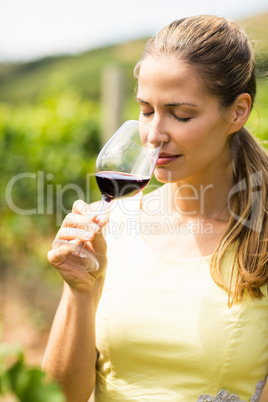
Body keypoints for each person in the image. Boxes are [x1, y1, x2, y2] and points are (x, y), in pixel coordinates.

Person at [42, 15, 268, 402]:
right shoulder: (110, 227)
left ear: (237, 111)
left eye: (181, 114)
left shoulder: (261, 235)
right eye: (146, 110)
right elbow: (58, 396)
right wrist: (80, 291)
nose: (153, 135)